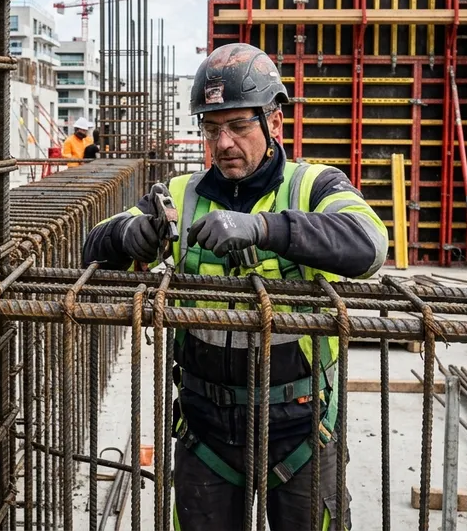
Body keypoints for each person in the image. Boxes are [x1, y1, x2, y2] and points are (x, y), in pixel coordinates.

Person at [81, 43, 387, 530]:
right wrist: (128, 235)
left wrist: (265, 228)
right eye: (211, 128)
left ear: (274, 122)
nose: (223, 142)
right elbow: (92, 248)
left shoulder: (314, 187)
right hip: (207, 432)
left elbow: (369, 245)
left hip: (301, 429)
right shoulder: (181, 195)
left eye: (239, 125)